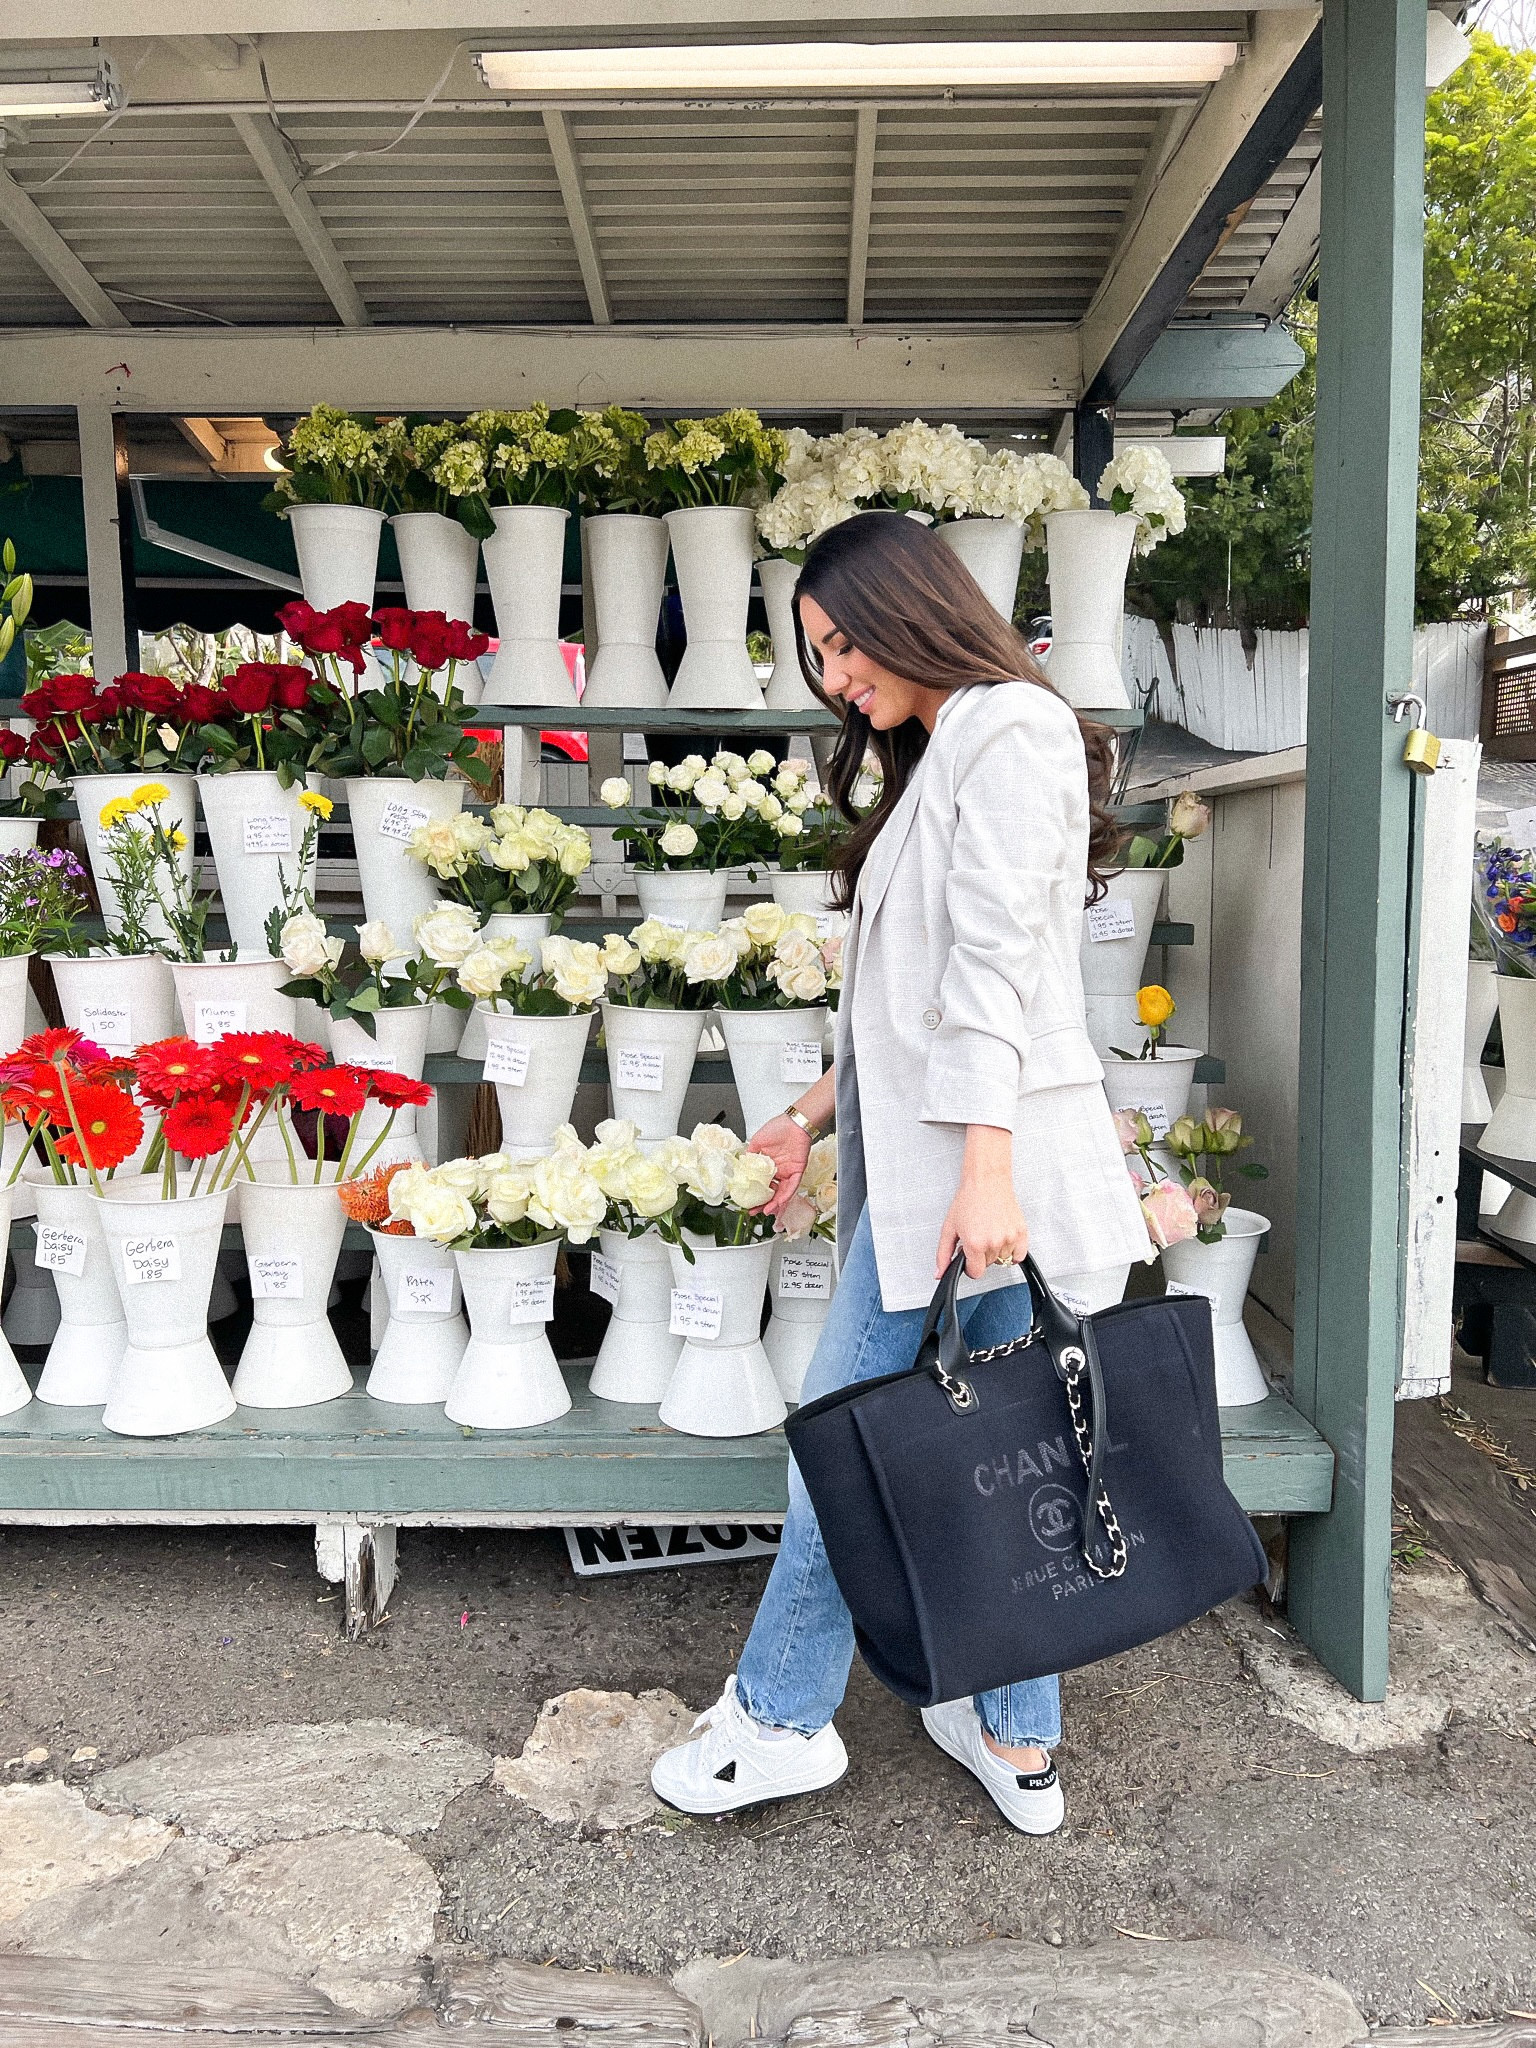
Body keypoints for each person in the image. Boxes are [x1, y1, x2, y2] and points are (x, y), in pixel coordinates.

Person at [650, 511, 1148, 1834]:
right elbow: (909, 1010)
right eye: (814, 655)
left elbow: (994, 972)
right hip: (949, 1175)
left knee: (849, 1440)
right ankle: (1016, 1737)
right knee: (1006, 1443)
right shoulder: (950, 748)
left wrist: (986, 1175)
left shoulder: (1010, 728)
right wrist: (806, 1117)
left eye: (841, 641)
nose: (833, 676)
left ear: (908, 606)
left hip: (975, 1178)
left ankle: (780, 1718)